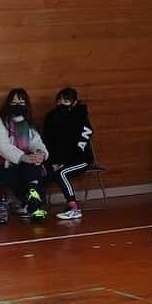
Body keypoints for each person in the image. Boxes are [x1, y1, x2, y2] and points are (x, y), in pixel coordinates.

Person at [0, 88, 49, 225]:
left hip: (22, 164)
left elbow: (36, 142)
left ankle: (31, 200)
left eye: (21, 101)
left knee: (33, 167)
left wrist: (40, 154)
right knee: (23, 173)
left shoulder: (27, 123)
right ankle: (33, 203)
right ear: (8, 103)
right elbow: (3, 147)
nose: (17, 104)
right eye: (14, 101)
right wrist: (24, 157)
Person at [42, 86, 94, 221]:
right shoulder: (51, 117)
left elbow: (83, 140)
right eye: (60, 101)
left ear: (74, 102)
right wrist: (53, 162)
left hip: (80, 159)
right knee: (42, 172)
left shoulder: (81, 117)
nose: (62, 104)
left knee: (62, 173)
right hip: (57, 160)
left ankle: (74, 207)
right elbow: (47, 141)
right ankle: (34, 204)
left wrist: (65, 162)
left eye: (66, 101)